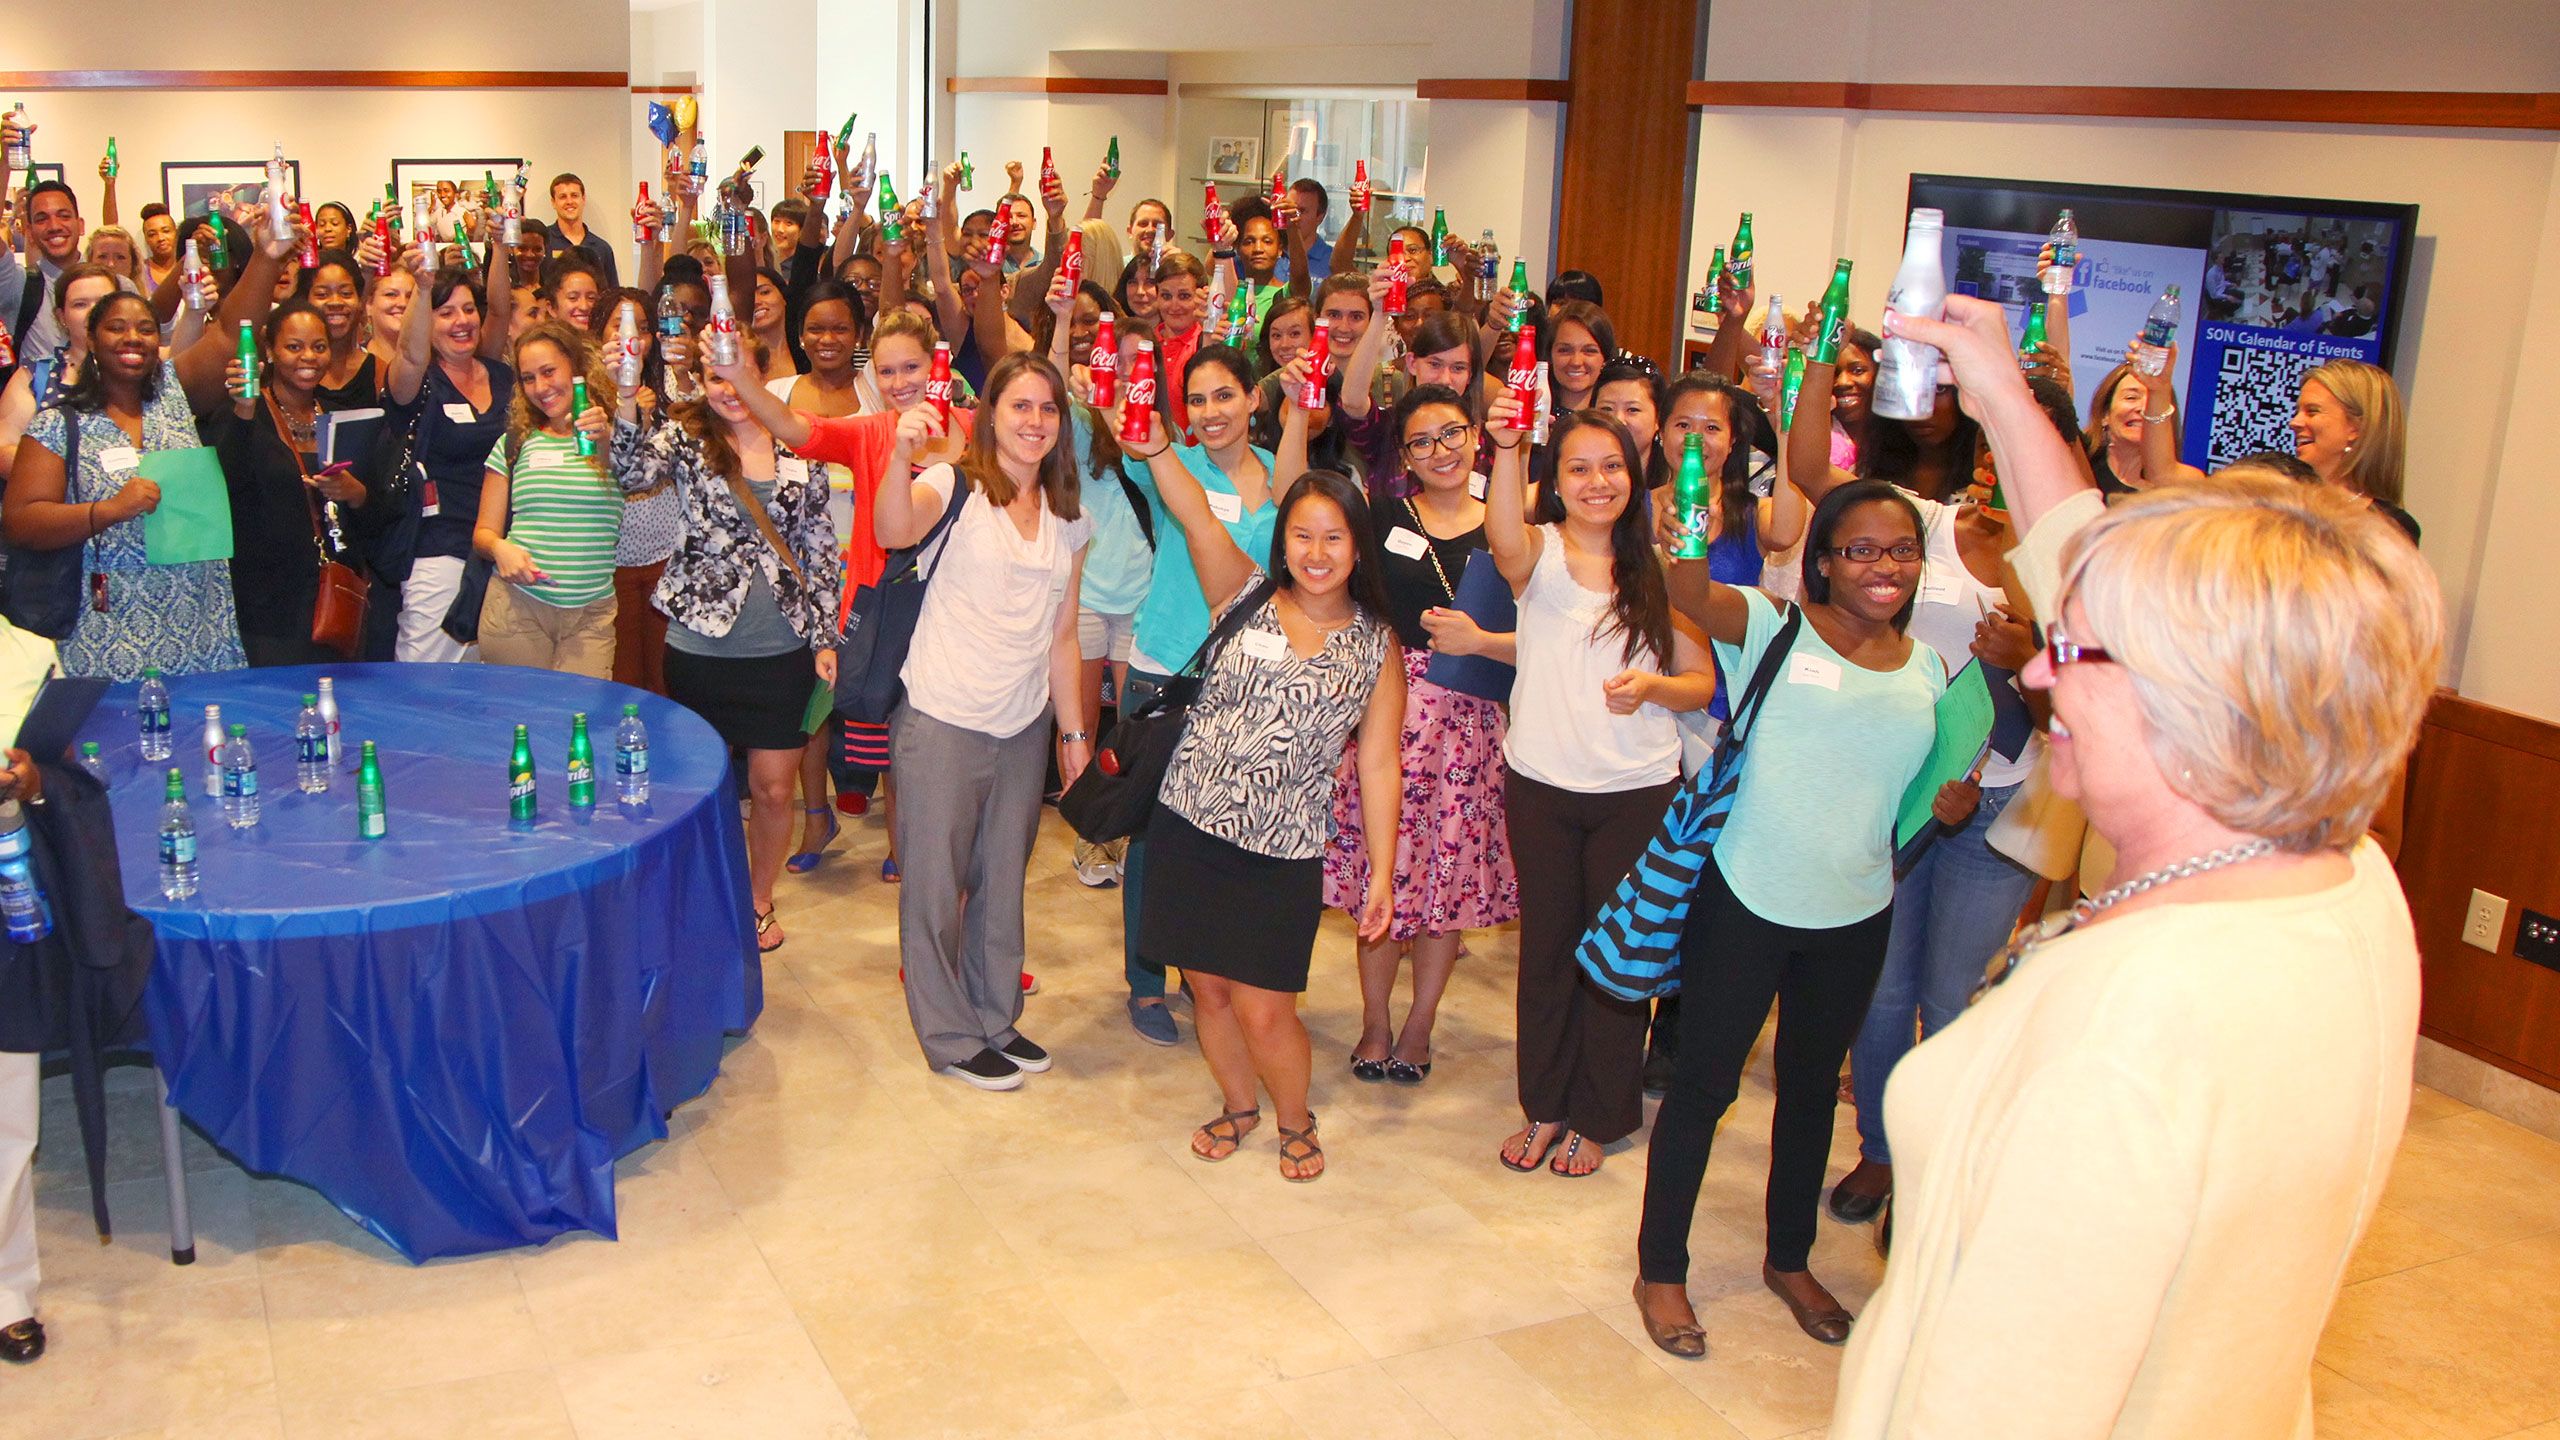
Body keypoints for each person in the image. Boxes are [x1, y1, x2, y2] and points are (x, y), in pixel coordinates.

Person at [1822, 293, 2443, 1438]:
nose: (2043, 675)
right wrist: (2000, 390)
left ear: (2190, 700)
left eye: (2074, 651)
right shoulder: (2346, 886)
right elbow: (2094, 573)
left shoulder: (2122, 1043)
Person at [1633, 473, 1950, 1357]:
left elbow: (1908, 787)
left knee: (1812, 1094)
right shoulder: (1774, 627)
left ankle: (1789, 1258)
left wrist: (1945, 806)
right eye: (1861, 549)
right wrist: (1687, 522)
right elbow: (1684, 591)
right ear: (1821, 561)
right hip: (1748, 898)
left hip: (1856, 910)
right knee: (1704, 1089)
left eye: (1901, 549)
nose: (1884, 566)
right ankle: (1661, 1270)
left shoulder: (1926, 665)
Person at [1130, 380, 1400, 1179]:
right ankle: (1237, 1106)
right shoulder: (1243, 593)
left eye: (1334, 538)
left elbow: (1378, 762)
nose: (1316, 553)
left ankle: (1294, 1116)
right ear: (1283, 543)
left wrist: (1384, 872)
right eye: (1302, 536)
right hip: (1189, 824)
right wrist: (1151, 447)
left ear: (1358, 548)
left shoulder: (1376, 647)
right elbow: (1195, 515)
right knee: (1207, 991)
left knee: (1265, 1005)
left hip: (1281, 849)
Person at [1483, 401, 1715, 1179]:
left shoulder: (1664, 565)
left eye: (1611, 466)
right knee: (1547, 953)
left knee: (1617, 965)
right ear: (1556, 480)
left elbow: (1701, 683)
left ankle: (1601, 1114)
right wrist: (1510, 444)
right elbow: (1501, 536)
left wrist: (1654, 685)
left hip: (1636, 792)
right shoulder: (1538, 554)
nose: (1596, 482)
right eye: (1577, 467)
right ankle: (1545, 1106)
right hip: (1541, 785)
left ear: (1636, 473)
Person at [860, 352, 1089, 1090]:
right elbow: (893, 530)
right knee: (934, 883)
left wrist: (1074, 733)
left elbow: (1063, 636)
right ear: (990, 414)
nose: (1035, 422)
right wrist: (900, 453)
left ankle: (995, 1016)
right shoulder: (951, 484)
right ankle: (951, 1035)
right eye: (1020, 406)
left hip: (1022, 723)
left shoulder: (1067, 517)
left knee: (1003, 880)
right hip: (943, 718)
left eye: (1048, 409)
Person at [4, 205, 294, 679]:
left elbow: (227, 330)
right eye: (115, 327)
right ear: (91, 340)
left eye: (143, 327)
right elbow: (22, 521)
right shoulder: (58, 424)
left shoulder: (175, 395)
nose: (132, 337)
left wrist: (266, 257)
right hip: (105, 627)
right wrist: (109, 510)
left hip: (197, 617)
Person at [618, 337, 840, 952]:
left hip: (784, 651)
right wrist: (626, 395)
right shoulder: (686, 440)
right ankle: (694, 895)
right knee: (695, 789)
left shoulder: (801, 442)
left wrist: (826, 636)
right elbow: (629, 471)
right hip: (699, 648)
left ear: (760, 372)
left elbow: (821, 548)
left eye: (736, 373)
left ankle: (756, 898)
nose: (726, 388)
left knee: (773, 791)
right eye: (714, 377)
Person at [1325, 382, 1519, 1084]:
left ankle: (1419, 1024)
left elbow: (1546, 632)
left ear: (1474, 436)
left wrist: (1482, 639)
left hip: (1467, 727)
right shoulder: (1381, 518)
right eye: (1420, 441)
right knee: (1380, 883)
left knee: (1446, 889)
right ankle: (1374, 1021)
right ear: (1401, 454)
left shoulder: (1506, 524)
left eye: (1451, 434)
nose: (1439, 451)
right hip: (1387, 720)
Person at [1114, 344, 1283, 1044]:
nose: (1211, 412)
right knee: (1153, 840)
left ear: (1251, 400)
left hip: (1242, 682)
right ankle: (1147, 983)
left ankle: (1199, 970)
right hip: (1164, 672)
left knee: (1213, 837)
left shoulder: (1280, 473)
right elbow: (1129, 437)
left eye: (1224, 396)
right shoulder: (1166, 463)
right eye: (1199, 400)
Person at [209, 298, 374, 665]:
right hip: (270, 606)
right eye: (294, 347)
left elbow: (375, 512)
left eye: (318, 347)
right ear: (269, 350)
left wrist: (357, 494)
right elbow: (225, 483)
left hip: (336, 593)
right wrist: (244, 410)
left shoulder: (339, 416)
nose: (308, 357)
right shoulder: (243, 413)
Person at [766, 280, 866, 872]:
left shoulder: (879, 387)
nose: (827, 339)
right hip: (800, 574)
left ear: (858, 333)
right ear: (799, 333)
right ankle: (817, 816)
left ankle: (901, 833)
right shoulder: (777, 392)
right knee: (810, 705)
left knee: (885, 700)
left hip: (875, 568)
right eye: (816, 328)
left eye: (840, 328)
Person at [383, 230, 516, 662]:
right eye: (445, 313)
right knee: (427, 689)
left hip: (505, 553)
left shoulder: (501, 375)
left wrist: (498, 247)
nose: (462, 321)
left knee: (493, 690)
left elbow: (499, 309)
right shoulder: (417, 384)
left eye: (466, 309)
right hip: (439, 553)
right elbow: (408, 353)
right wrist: (422, 290)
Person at [474, 321, 621, 675]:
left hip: (591, 617)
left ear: (577, 369)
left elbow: (622, 465)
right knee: (522, 724)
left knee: (582, 720)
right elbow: (483, 533)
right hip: (516, 607)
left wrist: (607, 435)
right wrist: (500, 549)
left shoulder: (617, 438)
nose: (540, 387)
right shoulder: (514, 443)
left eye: (549, 371)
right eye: (528, 378)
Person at [0, 265, 119, 482]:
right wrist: (79, 474)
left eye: (104, 301)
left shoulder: (146, 366)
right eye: (80, 304)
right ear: (62, 316)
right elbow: (4, 449)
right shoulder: (34, 377)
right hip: (58, 504)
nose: (94, 312)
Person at [2290, 356, 2416, 541]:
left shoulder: (2390, 527)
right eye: (2297, 411)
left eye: (2312, 411)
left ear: (2356, 428)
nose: (2294, 422)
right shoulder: (2277, 500)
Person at [2083, 360, 2206, 495]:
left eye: (2154, 405)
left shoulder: (2186, 484)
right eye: (2131, 397)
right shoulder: (2079, 459)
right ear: (2105, 414)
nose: (2144, 409)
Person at [542, 174, 620, 289]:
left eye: (574, 195)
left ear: (583, 199)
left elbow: (612, 295)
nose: (569, 201)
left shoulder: (602, 248)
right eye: (563, 197)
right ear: (553, 202)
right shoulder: (543, 242)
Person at [138, 203, 180, 294]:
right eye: (152, 234)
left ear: (176, 233)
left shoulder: (189, 267)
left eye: (166, 231)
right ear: (146, 239)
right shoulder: (139, 271)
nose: (160, 238)